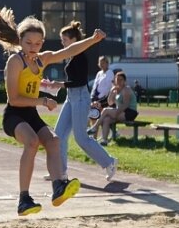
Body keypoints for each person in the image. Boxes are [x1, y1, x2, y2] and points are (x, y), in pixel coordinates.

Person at [0, 6, 106, 216]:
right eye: (28, 43)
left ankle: (58, 187)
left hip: (30, 114)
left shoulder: (42, 58)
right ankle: (24, 199)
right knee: (32, 141)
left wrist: (93, 40)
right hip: (15, 114)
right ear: (20, 41)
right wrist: (42, 100)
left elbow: (69, 51)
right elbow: (14, 99)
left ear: (42, 43)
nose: (33, 47)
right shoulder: (15, 62)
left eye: (37, 43)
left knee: (54, 141)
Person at [50, 21, 117, 182]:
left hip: (80, 97)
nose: (62, 43)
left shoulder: (80, 57)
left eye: (64, 39)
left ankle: (109, 162)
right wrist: (60, 84)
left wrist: (60, 84)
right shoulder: (71, 56)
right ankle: (61, 172)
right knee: (58, 135)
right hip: (71, 97)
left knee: (81, 138)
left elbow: (80, 81)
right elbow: (73, 81)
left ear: (74, 40)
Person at [88, 71, 138, 146]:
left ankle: (95, 127)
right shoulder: (116, 90)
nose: (118, 81)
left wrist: (116, 113)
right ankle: (104, 140)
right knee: (106, 119)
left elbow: (125, 105)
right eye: (117, 79)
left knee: (105, 110)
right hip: (121, 112)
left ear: (124, 81)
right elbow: (110, 103)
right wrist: (111, 91)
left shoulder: (126, 90)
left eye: (121, 80)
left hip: (129, 112)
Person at [89, 56, 113, 138]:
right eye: (100, 63)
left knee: (98, 117)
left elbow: (108, 87)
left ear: (107, 63)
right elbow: (95, 86)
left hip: (104, 99)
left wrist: (99, 99)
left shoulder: (110, 73)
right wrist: (92, 97)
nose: (102, 64)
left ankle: (96, 136)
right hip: (95, 98)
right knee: (93, 116)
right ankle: (94, 137)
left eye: (103, 62)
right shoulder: (99, 73)